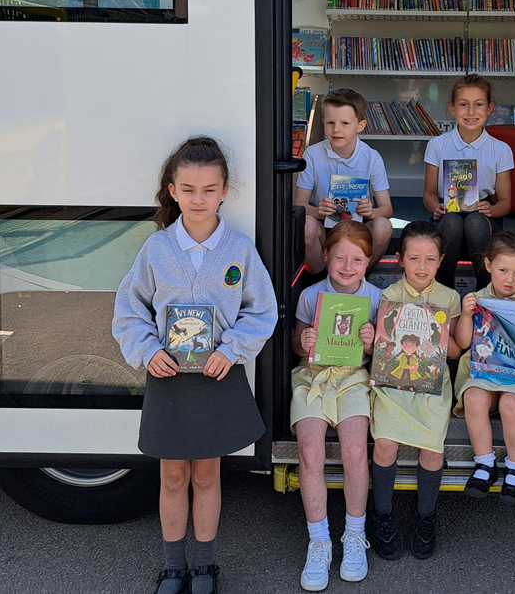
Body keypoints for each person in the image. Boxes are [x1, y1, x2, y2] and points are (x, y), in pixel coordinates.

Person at [113, 136, 278, 594]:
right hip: (169, 380)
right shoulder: (156, 250)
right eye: (188, 189)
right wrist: (148, 351)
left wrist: (233, 349)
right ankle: (172, 566)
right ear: (172, 191)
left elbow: (262, 311)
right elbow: (129, 310)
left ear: (225, 190)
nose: (198, 199)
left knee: (207, 474)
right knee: (172, 475)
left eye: (209, 189)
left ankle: (205, 566)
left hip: (217, 376)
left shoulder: (238, 250)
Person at [289, 221, 382, 591]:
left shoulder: (376, 297)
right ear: (325, 256)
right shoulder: (311, 295)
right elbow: (296, 345)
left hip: (354, 378)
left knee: (356, 450)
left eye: (357, 259)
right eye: (340, 257)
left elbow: (383, 355)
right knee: (310, 452)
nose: (347, 266)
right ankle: (319, 540)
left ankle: (355, 536)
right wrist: (304, 339)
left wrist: (373, 342)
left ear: (369, 261)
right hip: (313, 377)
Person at [367, 220, 461, 561]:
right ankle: (383, 515)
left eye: (430, 259)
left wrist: (439, 337)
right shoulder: (389, 297)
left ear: (441, 261)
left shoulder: (450, 298)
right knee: (386, 444)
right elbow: (381, 350)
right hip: (393, 383)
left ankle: (426, 518)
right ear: (400, 260)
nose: (422, 267)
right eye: (414, 258)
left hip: (432, 385)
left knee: (433, 451)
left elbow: (455, 351)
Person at [452, 230, 515, 503]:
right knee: (473, 397)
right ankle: (485, 463)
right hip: (484, 373)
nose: (510, 279)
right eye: (502, 270)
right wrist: (466, 314)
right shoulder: (477, 299)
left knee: (511, 404)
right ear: (487, 265)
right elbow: (462, 342)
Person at [423, 75, 514, 290]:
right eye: (464, 105)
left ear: (489, 108)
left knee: (473, 221)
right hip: (447, 219)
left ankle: (487, 292)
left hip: (483, 224)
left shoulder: (500, 149)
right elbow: (428, 194)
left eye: (479, 105)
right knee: (453, 221)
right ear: (452, 108)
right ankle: (443, 292)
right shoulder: (437, 145)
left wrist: (491, 210)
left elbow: (505, 203)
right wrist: (435, 207)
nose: (471, 112)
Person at [295, 89, 393, 275]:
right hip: (323, 228)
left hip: (358, 230)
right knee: (306, 224)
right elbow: (299, 205)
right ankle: (317, 276)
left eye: (345, 123)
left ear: (360, 125)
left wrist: (371, 212)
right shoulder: (312, 155)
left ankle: (359, 276)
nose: (336, 129)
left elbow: (387, 210)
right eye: (330, 123)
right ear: (323, 122)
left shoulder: (372, 158)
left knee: (383, 226)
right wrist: (318, 211)